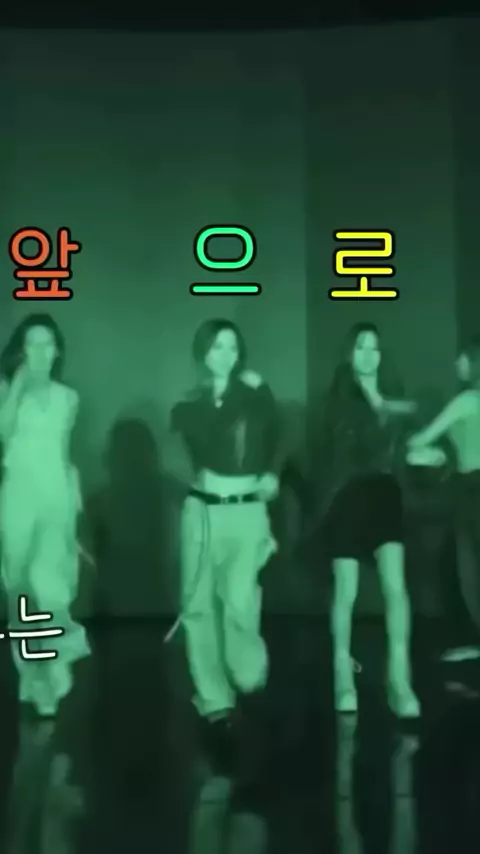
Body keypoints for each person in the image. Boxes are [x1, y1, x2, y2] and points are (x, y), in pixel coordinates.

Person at [167, 318, 281, 749]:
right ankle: (214, 698)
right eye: (217, 347)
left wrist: (271, 472)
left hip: (247, 510)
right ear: (203, 352)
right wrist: (240, 392)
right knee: (198, 607)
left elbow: (276, 437)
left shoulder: (256, 395)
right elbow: (209, 444)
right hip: (203, 511)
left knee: (240, 600)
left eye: (232, 347)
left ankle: (247, 674)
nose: (226, 355)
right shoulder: (190, 403)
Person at [318, 322, 420, 717]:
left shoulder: (393, 396)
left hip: (385, 496)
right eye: (360, 347)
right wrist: (382, 408)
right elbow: (348, 447)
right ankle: (342, 674)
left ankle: (399, 679)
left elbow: (408, 434)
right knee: (347, 591)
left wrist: (422, 454)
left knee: (396, 587)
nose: (368, 355)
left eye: (374, 348)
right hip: (349, 496)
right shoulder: (340, 400)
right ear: (349, 353)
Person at [0, 313, 90, 716]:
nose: (40, 351)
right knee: (21, 590)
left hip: (56, 497)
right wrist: (18, 388)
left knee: (53, 589)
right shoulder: (6, 390)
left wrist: (75, 505)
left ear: (57, 351)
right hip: (19, 497)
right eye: (32, 343)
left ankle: (52, 674)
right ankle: (32, 675)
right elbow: (2, 435)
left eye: (47, 343)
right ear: (21, 350)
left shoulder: (67, 398)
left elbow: (64, 456)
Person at [407, 336, 480, 663]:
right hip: (469, 486)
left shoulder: (466, 400)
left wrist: (423, 449)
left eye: (461, 358)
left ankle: (474, 642)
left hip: (472, 489)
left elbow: (423, 439)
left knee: (466, 568)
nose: (456, 364)